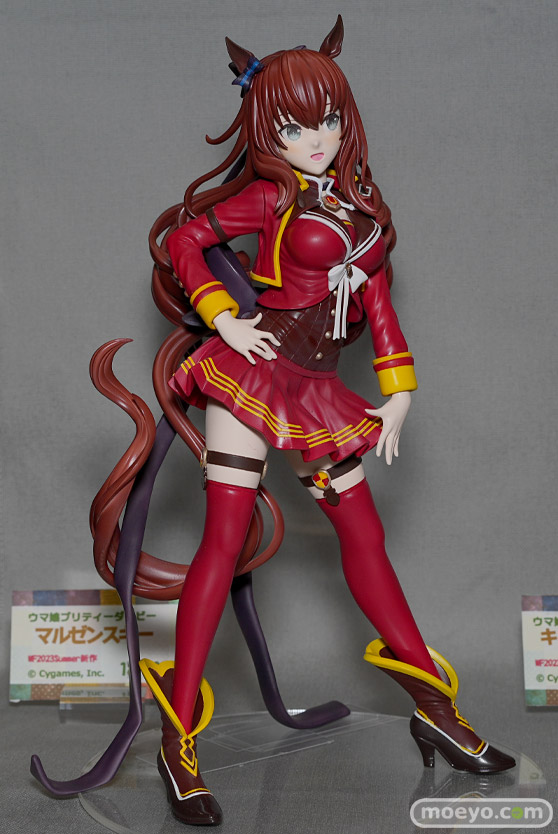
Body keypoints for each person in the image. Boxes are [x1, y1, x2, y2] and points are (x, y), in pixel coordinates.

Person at [145, 16, 515, 827]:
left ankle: (435, 710)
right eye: (293, 127)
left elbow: (377, 304)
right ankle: (178, 742)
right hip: (250, 377)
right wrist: (222, 316)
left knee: (365, 537)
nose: (316, 140)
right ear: (265, 131)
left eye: (329, 120)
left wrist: (399, 390)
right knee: (224, 538)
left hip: (316, 394)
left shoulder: (362, 206)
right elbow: (185, 239)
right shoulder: (268, 196)